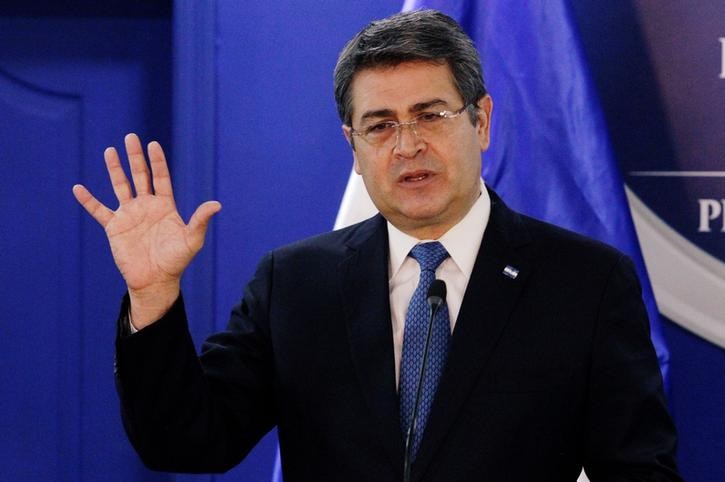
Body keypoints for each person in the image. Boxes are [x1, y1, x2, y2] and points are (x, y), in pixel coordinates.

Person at [72, 9, 681, 482]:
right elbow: (187, 438)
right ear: (354, 147)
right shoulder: (295, 283)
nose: (408, 144)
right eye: (381, 125)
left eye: (431, 114)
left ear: (482, 120)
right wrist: (153, 295)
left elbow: (638, 470)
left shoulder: (585, 282)